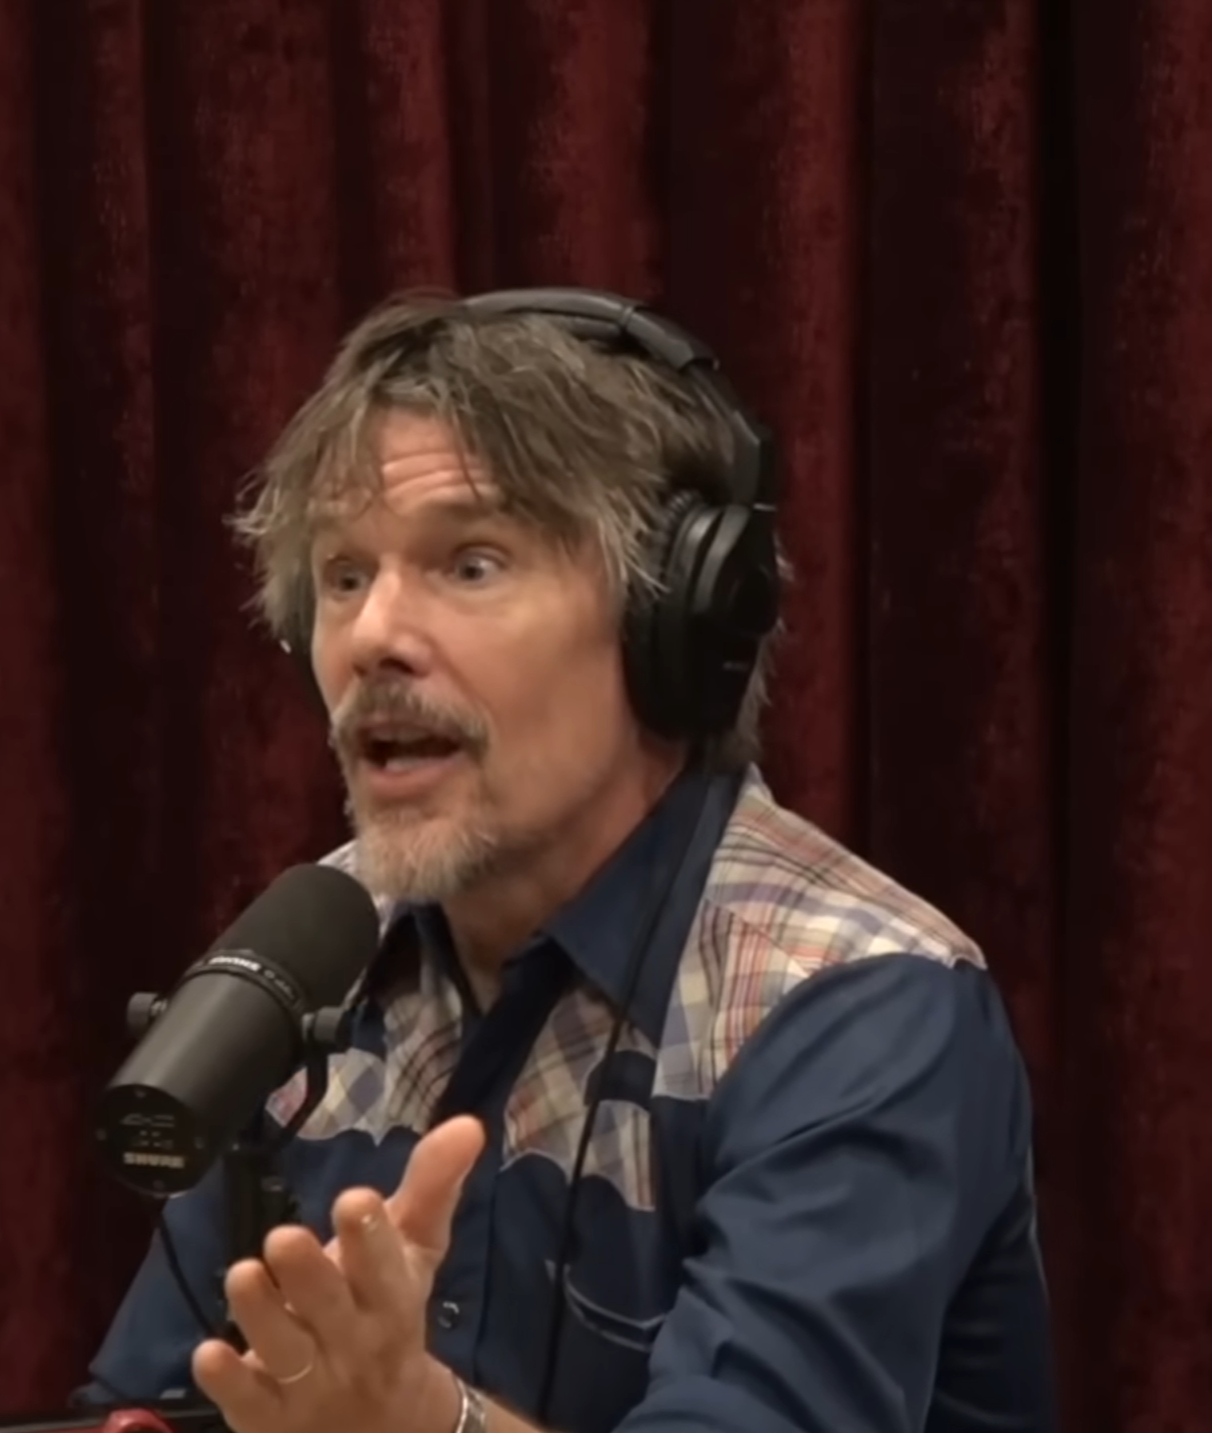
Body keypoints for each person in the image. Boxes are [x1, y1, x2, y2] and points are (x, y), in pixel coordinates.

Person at [79, 287, 1056, 1433]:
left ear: (677, 626)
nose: (374, 634)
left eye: (472, 563)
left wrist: (424, 1426)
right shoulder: (310, 959)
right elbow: (146, 1401)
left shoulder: (860, 1006)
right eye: (344, 574)